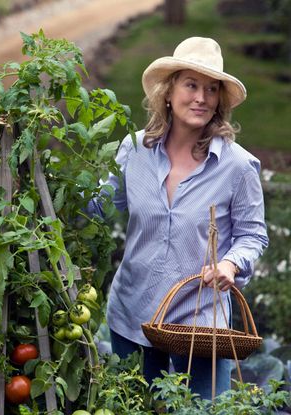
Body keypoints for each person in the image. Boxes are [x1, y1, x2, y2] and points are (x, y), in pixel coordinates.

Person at [88, 37, 268, 399]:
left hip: (200, 324)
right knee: (135, 405)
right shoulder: (135, 150)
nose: (201, 98)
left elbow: (253, 236)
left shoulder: (237, 166)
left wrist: (231, 264)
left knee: (202, 409)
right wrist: (46, 181)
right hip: (133, 312)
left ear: (219, 100)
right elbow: (99, 205)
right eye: (191, 85)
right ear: (167, 92)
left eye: (211, 89)